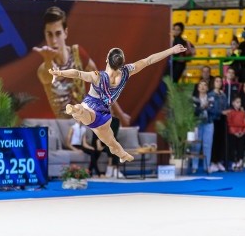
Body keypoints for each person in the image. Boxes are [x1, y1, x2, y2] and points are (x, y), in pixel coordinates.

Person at [49, 44, 188, 162]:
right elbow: (149, 60)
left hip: (90, 106)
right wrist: (171, 50)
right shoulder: (127, 72)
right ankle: (122, 155)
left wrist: (60, 73)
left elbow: (77, 74)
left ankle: (77, 110)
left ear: (106, 60)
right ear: (122, 63)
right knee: (111, 143)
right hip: (104, 115)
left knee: (86, 115)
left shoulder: (97, 76)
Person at [34, 6, 130, 125]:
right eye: (50, 35)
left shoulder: (77, 53)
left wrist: (120, 114)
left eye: (58, 34)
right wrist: (48, 59)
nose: (54, 41)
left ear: (66, 33)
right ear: (45, 35)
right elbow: (47, 77)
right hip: (66, 127)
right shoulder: (43, 69)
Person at [192, 80, 215, 173]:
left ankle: (207, 166)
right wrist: (202, 107)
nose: (202, 87)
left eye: (204, 85)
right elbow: (194, 112)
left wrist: (206, 107)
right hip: (197, 123)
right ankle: (194, 166)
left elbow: (214, 110)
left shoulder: (211, 98)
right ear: (198, 88)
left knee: (207, 145)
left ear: (207, 88)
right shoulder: (194, 99)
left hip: (208, 123)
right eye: (200, 85)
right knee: (196, 145)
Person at [208, 76, 228, 172]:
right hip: (214, 120)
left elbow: (226, 106)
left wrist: (226, 112)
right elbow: (210, 109)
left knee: (221, 141)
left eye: (220, 81)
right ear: (214, 82)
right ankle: (213, 161)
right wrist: (221, 112)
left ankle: (219, 161)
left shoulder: (223, 95)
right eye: (217, 81)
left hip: (223, 121)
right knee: (214, 142)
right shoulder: (211, 95)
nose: (218, 83)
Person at [227, 95, 245, 171]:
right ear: (233, 103)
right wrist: (234, 132)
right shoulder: (230, 112)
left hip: (241, 133)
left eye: (240, 102)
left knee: (241, 148)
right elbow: (229, 123)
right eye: (237, 102)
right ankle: (233, 163)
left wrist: (243, 132)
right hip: (233, 134)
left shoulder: (243, 113)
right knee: (233, 148)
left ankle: (240, 162)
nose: (239, 104)